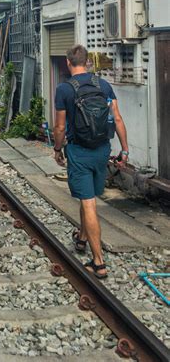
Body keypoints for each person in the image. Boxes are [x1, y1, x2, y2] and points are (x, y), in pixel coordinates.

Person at [53, 44, 129, 279]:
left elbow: (60, 126)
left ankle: (99, 262)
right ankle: (82, 238)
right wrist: (124, 151)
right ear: (87, 62)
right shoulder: (103, 85)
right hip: (102, 150)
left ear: (68, 62)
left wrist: (57, 148)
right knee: (90, 197)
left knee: (88, 203)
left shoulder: (64, 89)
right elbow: (116, 118)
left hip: (79, 151)